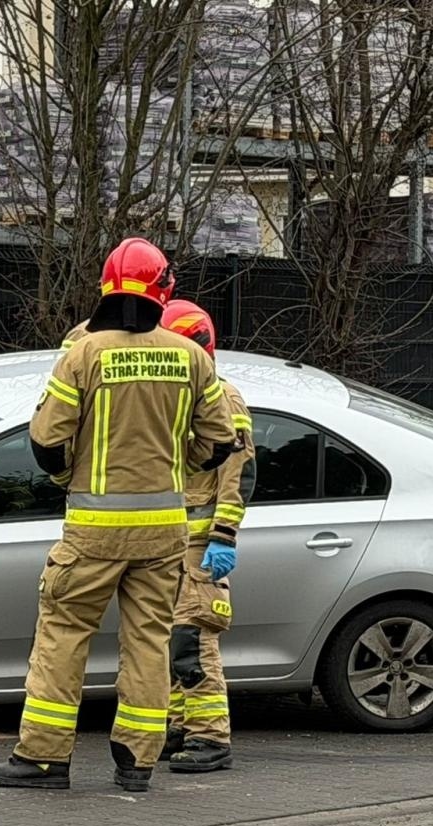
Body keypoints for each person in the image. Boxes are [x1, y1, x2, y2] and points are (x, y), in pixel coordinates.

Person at [0, 238, 239, 793]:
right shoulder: (191, 356)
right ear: (163, 290)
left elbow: (47, 442)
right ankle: (137, 762)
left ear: (106, 286)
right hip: (165, 533)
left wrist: (67, 479)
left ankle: (44, 758)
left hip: (93, 532)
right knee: (149, 642)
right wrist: (178, 465)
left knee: (63, 637)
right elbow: (221, 442)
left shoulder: (84, 352)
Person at [157, 300, 257, 773]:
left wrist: (224, 535)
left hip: (200, 548)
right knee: (171, 644)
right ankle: (181, 727)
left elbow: (239, 474)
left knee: (192, 642)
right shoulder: (180, 397)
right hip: (171, 546)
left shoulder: (223, 399)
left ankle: (210, 738)